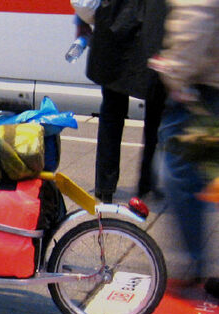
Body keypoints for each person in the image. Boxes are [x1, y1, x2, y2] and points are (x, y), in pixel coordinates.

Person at [151, 0, 219, 297]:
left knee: (179, 175)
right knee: (204, 176)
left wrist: (173, 71)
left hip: (201, 93)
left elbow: (195, 19)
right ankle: (193, 261)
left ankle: (191, 263)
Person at [74, 0, 168, 203]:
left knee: (111, 111)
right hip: (154, 26)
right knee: (156, 111)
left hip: (114, 21)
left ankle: (104, 186)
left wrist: (79, 20)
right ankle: (147, 185)